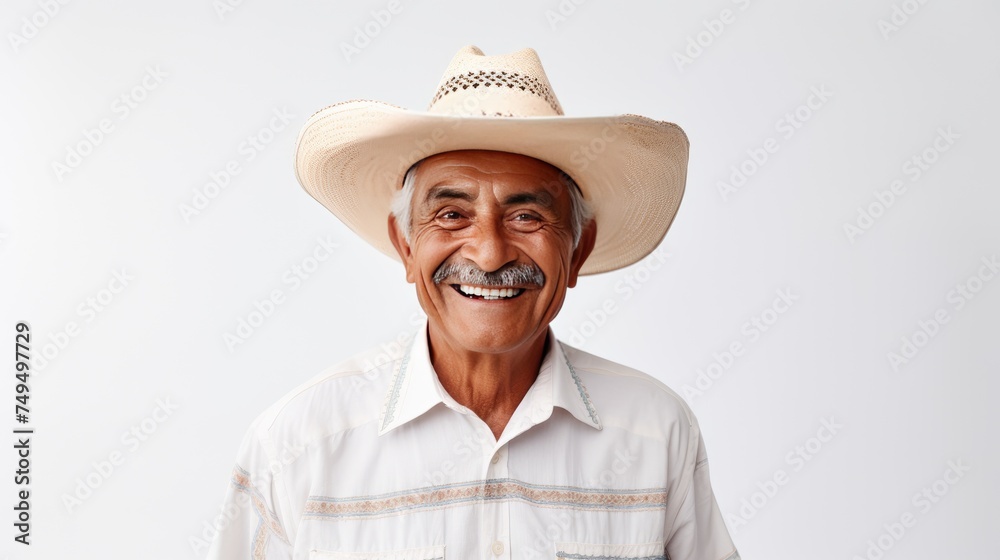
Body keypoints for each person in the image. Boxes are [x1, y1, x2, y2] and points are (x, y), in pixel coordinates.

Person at [207, 45, 740, 560]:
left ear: (578, 250)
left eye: (527, 216)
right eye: (451, 215)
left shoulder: (655, 432)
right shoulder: (299, 442)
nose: (488, 255)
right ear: (406, 246)